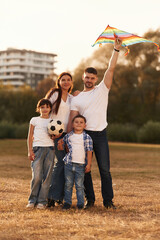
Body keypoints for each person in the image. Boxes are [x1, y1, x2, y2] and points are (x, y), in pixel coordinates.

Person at [67, 38, 122, 209]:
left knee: (105, 170)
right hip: (85, 136)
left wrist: (116, 49)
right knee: (86, 170)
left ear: (96, 78)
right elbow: (73, 119)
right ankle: (90, 200)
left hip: (101, 135)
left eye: (92, 77)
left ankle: (108, 201)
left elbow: (111, 68)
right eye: (87, 77)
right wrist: (67, 138)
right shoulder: (77, 98)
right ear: (83, 78)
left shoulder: (102, 89)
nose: (89, 80)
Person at [45, 72, 73, 207]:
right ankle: (51, 196)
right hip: (56, 134)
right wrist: (50, 131)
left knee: (67, 165)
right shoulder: (54, 94)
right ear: (59, 82)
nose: (66, 82)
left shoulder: (73, 98)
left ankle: (59, 197)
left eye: (68, 80)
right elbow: (45, 112)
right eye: (63, 80)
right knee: (60, 163)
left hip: (68, 134)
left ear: (71, 82)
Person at [58, 115, 93, 210]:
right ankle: (67, 203)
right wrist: (60, 144)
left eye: (81, 122)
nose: (78, 124)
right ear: (72, 124)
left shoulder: (87, 137)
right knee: (68, 184)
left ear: (85, 125)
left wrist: (88, 164)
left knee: (79, 185)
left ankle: (80, 204)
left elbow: (89, 151)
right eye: (76, 122)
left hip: (81, 165)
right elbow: (62, 147)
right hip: (69, 164)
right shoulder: (68, 136)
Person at [26, 98, 55, 209]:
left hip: (50, 149)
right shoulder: (34, 120)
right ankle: (32, 200)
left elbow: (55, 136)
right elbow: (29, 136)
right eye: (42, 107)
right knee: (37, 176)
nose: (45, 109)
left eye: (47, 107)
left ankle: (42, 201)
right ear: (39, 109)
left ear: (50, 108)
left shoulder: (53, 121)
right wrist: (30, 150)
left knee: (47, 176)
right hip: (37, 149)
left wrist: (55, 136)